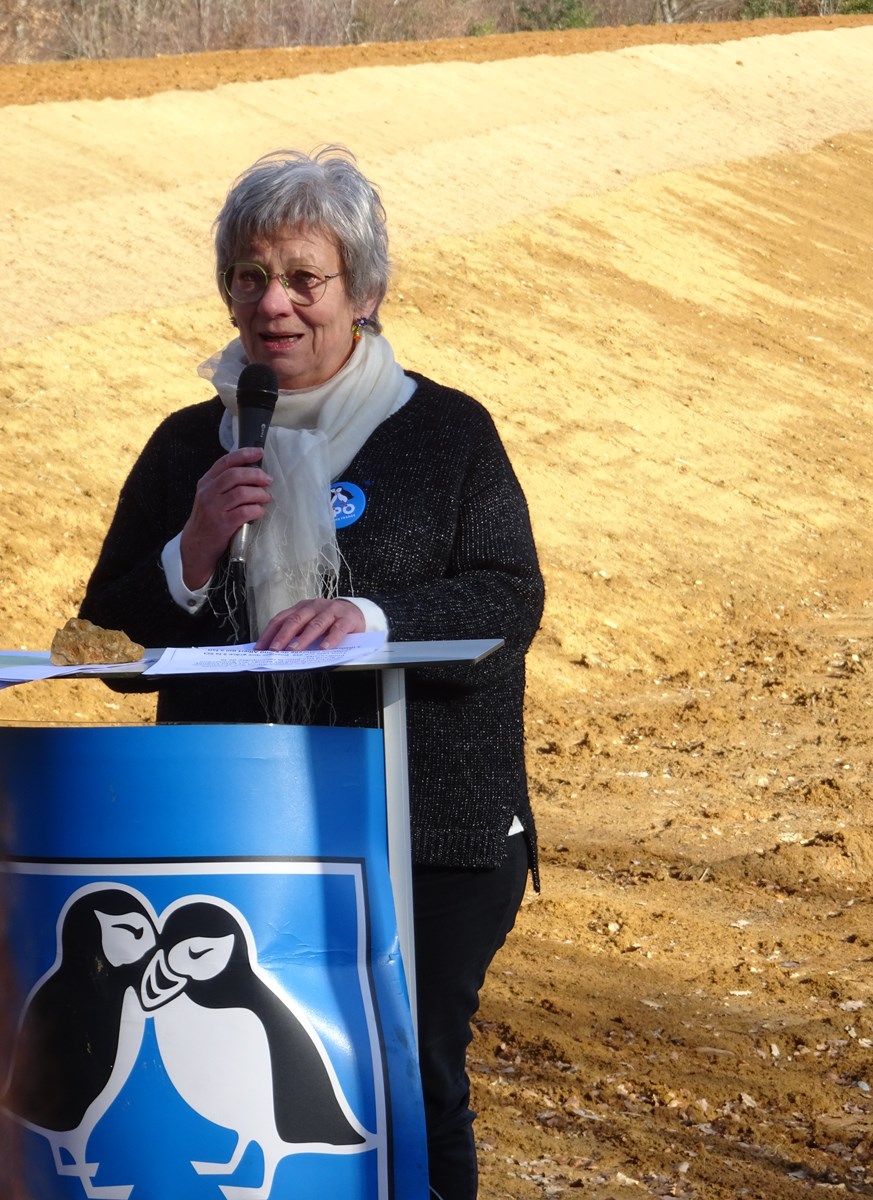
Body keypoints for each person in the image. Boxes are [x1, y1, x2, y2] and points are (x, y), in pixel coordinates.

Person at [80, 145, 544, 1200]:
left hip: (429, 831)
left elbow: (508, 597)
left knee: (408, 1072)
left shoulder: (447, 433)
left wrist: (370, 616)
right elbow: (106, 643)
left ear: (365, 292)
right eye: (249, 277)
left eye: (303, 278)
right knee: (256, 1081)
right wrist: (190, 547)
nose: (271, 304)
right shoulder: (188, 445)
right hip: (239, 837)